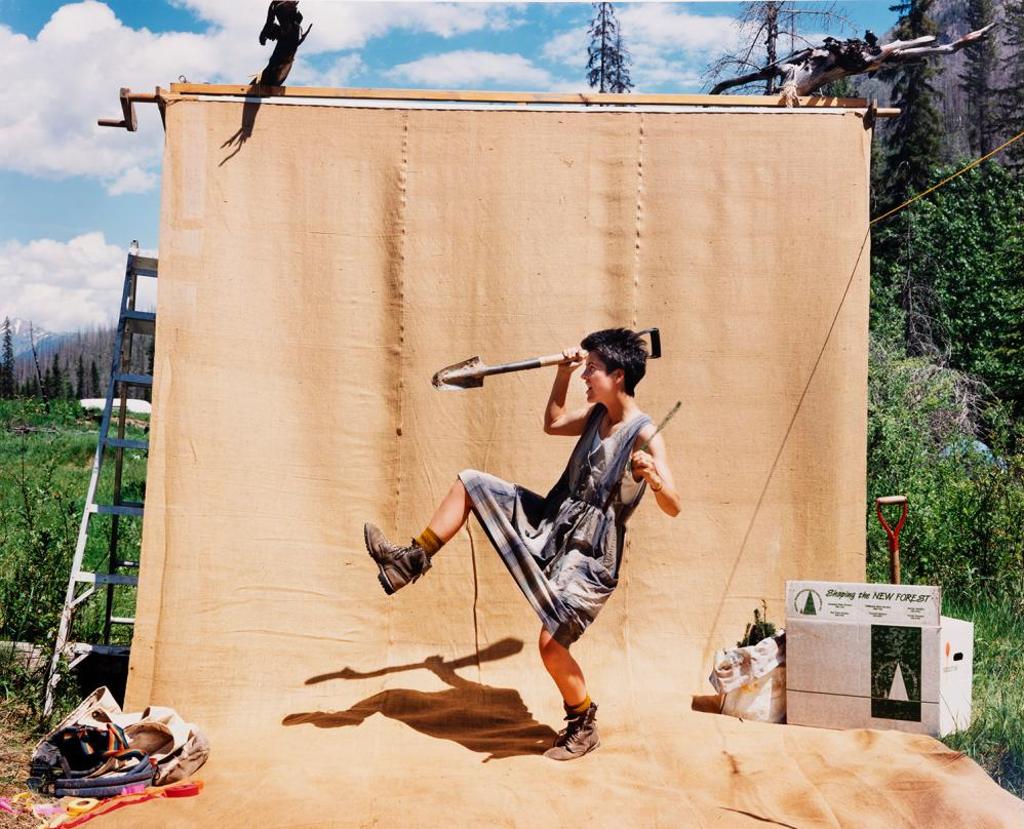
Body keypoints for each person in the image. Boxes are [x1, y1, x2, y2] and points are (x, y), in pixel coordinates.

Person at [363, 327, 680, 761]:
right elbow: (551, 423)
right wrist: (564, 375)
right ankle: (410, 561)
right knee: (471, 484)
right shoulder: (593, 416)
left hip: (588, 556)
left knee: (551, 645)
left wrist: (656, 480)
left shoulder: (645, 434)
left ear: (619, 375)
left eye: (592, 370)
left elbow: (675, 505)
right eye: (584, 369)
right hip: (551, 521)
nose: (587, 376)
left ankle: (583, 722)